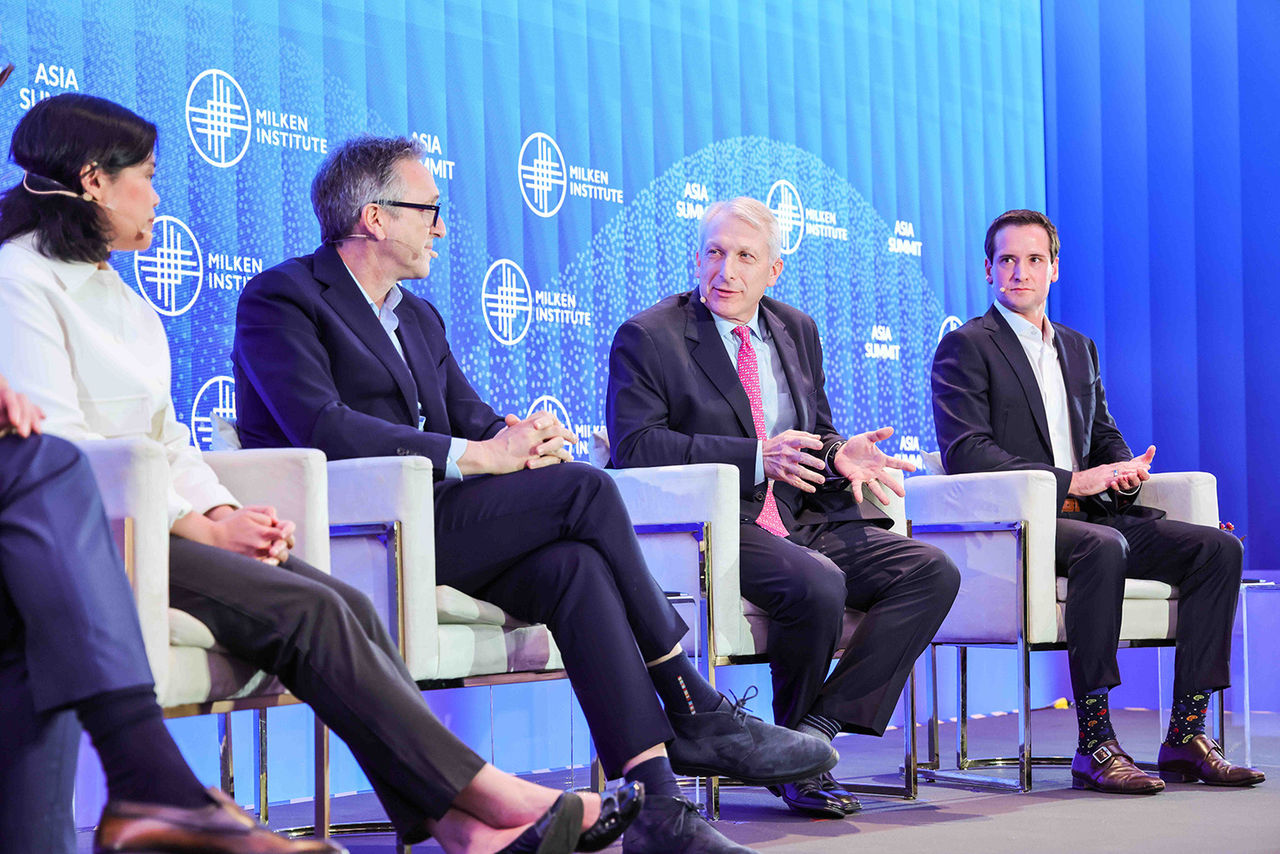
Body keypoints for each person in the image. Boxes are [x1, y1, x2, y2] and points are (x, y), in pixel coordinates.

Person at [0, 92, 642, 854]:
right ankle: (489, 796)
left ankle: (463, 827)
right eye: (147, 175)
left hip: (164, 523)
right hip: (107, 538)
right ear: (94, 181)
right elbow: (57, 454)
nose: (158, 196)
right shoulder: (19, 281)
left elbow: (169, 441)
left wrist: (223, 512)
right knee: (316, 611)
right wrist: (197, 525)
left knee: (347, 603)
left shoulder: (126, 300)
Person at [233, 137, 837, 854]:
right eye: (429, 210)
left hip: (438, 522)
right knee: (584, 489)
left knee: (573, 569)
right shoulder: (284, 298)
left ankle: (659, 812)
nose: (441, 228)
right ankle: (690, 699)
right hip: (359, 533)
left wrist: (519, 438)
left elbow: (472, 415)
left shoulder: (417, 317)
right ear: (375, 217)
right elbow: (322, 426)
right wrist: (479, 455)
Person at [606, 197, 960, 818]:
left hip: (798, 515)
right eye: (715, 253)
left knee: (931, 570)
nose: (726, 271)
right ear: (697, 259)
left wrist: (838, 452)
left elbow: (813, 430)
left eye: (745, 257)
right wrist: (754, 456)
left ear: (773, 270)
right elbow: (635, 446)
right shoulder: (650, 336)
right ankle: (801, 766)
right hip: (714, 525)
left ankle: (809, 736)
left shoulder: (796, 328)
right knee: (817, 582)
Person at [931, 208, 1264, 793]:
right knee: (1102, 547)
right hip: (1021, 524)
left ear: (1054, 269)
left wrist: (1124, 470)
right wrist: (1070, 482)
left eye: (1034, 259)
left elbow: (1101, 433)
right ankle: (1096, 741)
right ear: (988, 269)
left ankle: (1186, 736)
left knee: (1218, 550)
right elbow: (967, 452)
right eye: (1007, 260)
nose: (1020, 272)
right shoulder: (966, 346)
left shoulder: (1077, 347)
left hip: (1098, 517)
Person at [0, 375, 344, 854]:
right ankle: (149, 783)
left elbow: (172, 443)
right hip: (133, 520)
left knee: (336, 604)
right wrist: (211, 531)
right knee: (45, 465)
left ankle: (150, 787)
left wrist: (222, 514)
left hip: (127, 512)